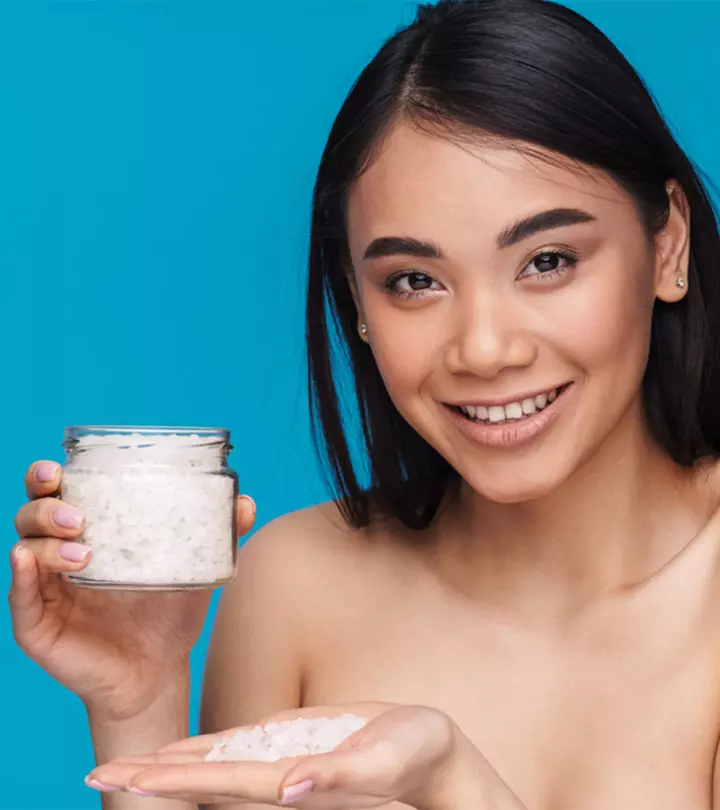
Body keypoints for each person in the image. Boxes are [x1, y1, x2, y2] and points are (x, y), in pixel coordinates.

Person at [10, 0, 720, 807]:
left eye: (548, 260)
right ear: (357, 301)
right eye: (415, 281)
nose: (485, 349)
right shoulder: (293, 585)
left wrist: (454, 780)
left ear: (669, 247)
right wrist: (138, 709)